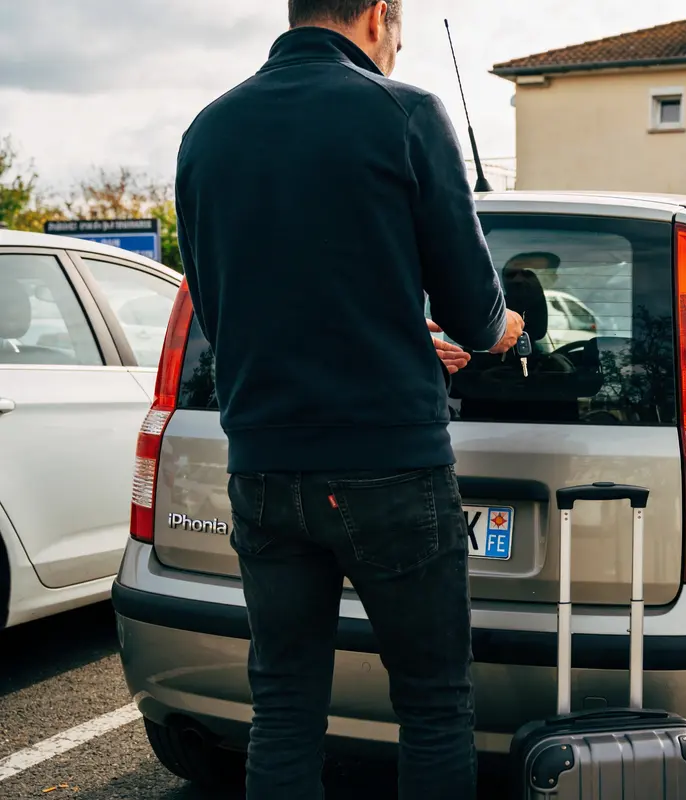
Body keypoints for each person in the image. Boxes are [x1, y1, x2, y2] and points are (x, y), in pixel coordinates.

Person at [173, 1, 523, 797]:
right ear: (375, 16)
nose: (395, 47)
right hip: (389, 467)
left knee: (285, 707)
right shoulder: (404, 114)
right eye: (397, 30)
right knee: (434, 705)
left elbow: (222, 302)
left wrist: (396, 332)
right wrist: (504, 331)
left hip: (264, 467)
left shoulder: (208, 131)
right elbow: (475, 308)